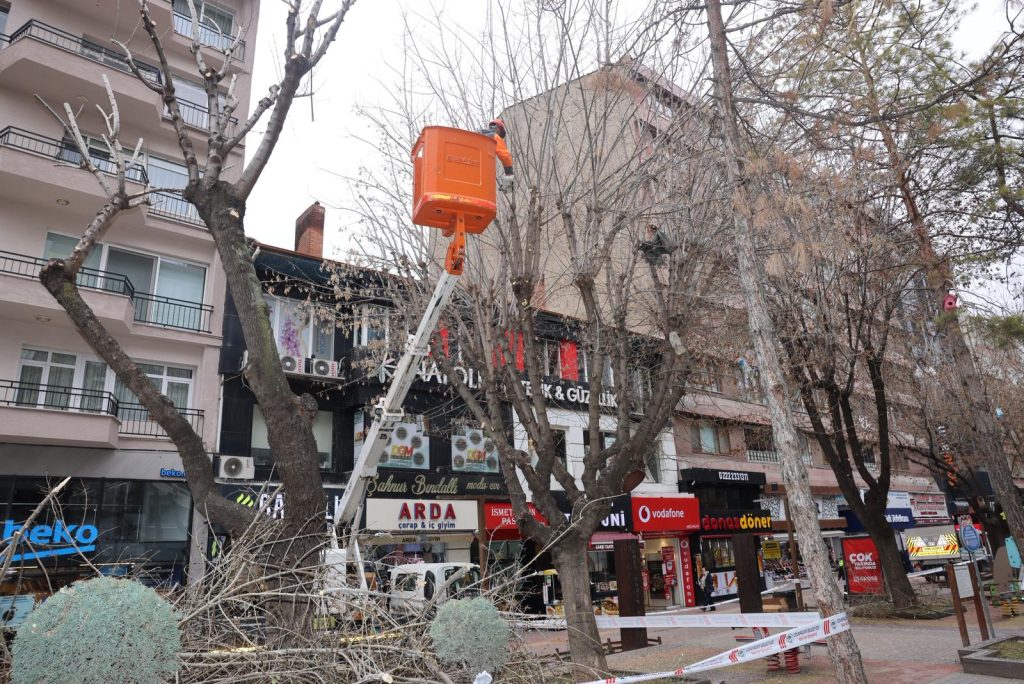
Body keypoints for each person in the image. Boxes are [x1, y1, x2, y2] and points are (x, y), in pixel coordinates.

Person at [481, 118, 514, 191]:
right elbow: (505, 157)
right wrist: (508, 181)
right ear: (499, 129)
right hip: (482, 174)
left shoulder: (478, 135)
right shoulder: (495, 137)